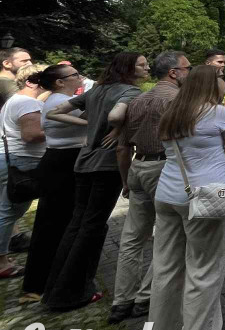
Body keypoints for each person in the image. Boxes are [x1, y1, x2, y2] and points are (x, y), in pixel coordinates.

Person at [149, 65, 225, 330]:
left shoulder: (170, 112)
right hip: (205, 199)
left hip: (167, 194)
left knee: (165, 267)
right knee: (204, 269)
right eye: (221, 77)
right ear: (209, 83)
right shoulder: (218, 113)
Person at [43, 52, 148, 311]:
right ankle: (70, 293)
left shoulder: (96, 91)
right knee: (92, 226)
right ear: (128, 69)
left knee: (77, 223)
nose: (147, 68)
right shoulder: (130, 93)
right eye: (142, 64)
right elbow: (115, 117)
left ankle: (54, 289)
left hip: (83, 161)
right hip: (106, 164)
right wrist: (117, 129)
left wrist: (90, 124)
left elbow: (56, 113)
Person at [107, 50, 191, 324]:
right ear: (173, 73)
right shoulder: (177, 100)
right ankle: (145, 296)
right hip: (163, 168)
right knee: (169, 235)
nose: (190, 73)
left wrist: (125, 180)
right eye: (187, 68)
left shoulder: (137, 99)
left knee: (132, 237)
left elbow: (122, 146)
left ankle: (121, 300)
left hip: (137, 167)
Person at [21, 64, 88, 301]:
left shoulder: (59, 99)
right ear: (60, 82)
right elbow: (94, 119)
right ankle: (44, 283)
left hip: (59, 161)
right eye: (75, 75)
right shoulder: (58, 101)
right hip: (62, 163)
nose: (80, 77)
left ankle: (43, 281)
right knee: (55, 223)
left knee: (53, 222)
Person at [0, 64, 47, 278]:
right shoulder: (27, 102)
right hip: (22, 160)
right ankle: (2, 263)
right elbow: (31, 135)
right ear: (31, 81)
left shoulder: (18, 100)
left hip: (13, 159)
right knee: (9, 212)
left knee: (8, 211)